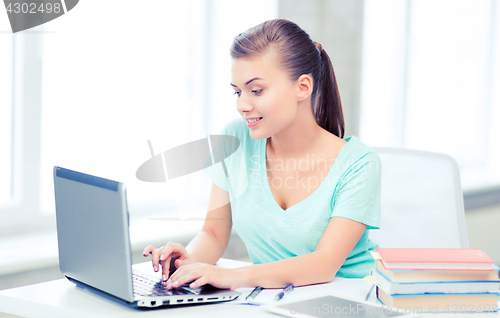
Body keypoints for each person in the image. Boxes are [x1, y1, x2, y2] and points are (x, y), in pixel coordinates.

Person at [143, 19, 381, 291]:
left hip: (350, 300)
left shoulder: (360, 164)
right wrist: (189, 261)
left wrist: (233, 276)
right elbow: (213, 234)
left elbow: (324, 264)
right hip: (272, 302)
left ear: (302, 87)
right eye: (237, 91)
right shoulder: (234, 140)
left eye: (256, 90)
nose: (242, 105)